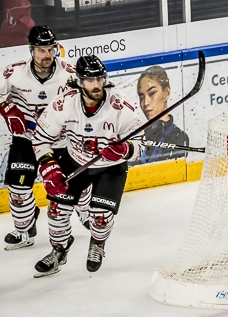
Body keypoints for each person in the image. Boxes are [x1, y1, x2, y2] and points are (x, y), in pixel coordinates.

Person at [30, 55, 145, 276]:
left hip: (111, 168)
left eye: (100, 79)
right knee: (56, 210)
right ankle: (59, 251)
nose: (97, 84)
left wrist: (124, 150)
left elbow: (139, 146)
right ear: (79, 81)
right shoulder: (64, 104)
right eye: (90, 80)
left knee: (99, 217)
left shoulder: (120, 105)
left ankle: (97, 244)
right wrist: (49, 167)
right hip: (75, 162)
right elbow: (40, 138)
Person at [0, 25, 89, 251]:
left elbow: (91, 99)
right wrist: (4, 107)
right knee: (18, 189)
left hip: (60, 141)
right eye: (41, 50)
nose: (47, 55)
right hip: (26, 139)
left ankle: (88, 214)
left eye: (50, 49)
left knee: (75, 183)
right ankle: (24, 229)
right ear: (31, 50)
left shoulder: (70, 73)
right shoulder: (15, 72)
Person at [134, 65, 188, 164]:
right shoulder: (139, 135)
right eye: (141, 97)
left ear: (167, 93)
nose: (145, 103)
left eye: (152, 93)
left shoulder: (178, 137)